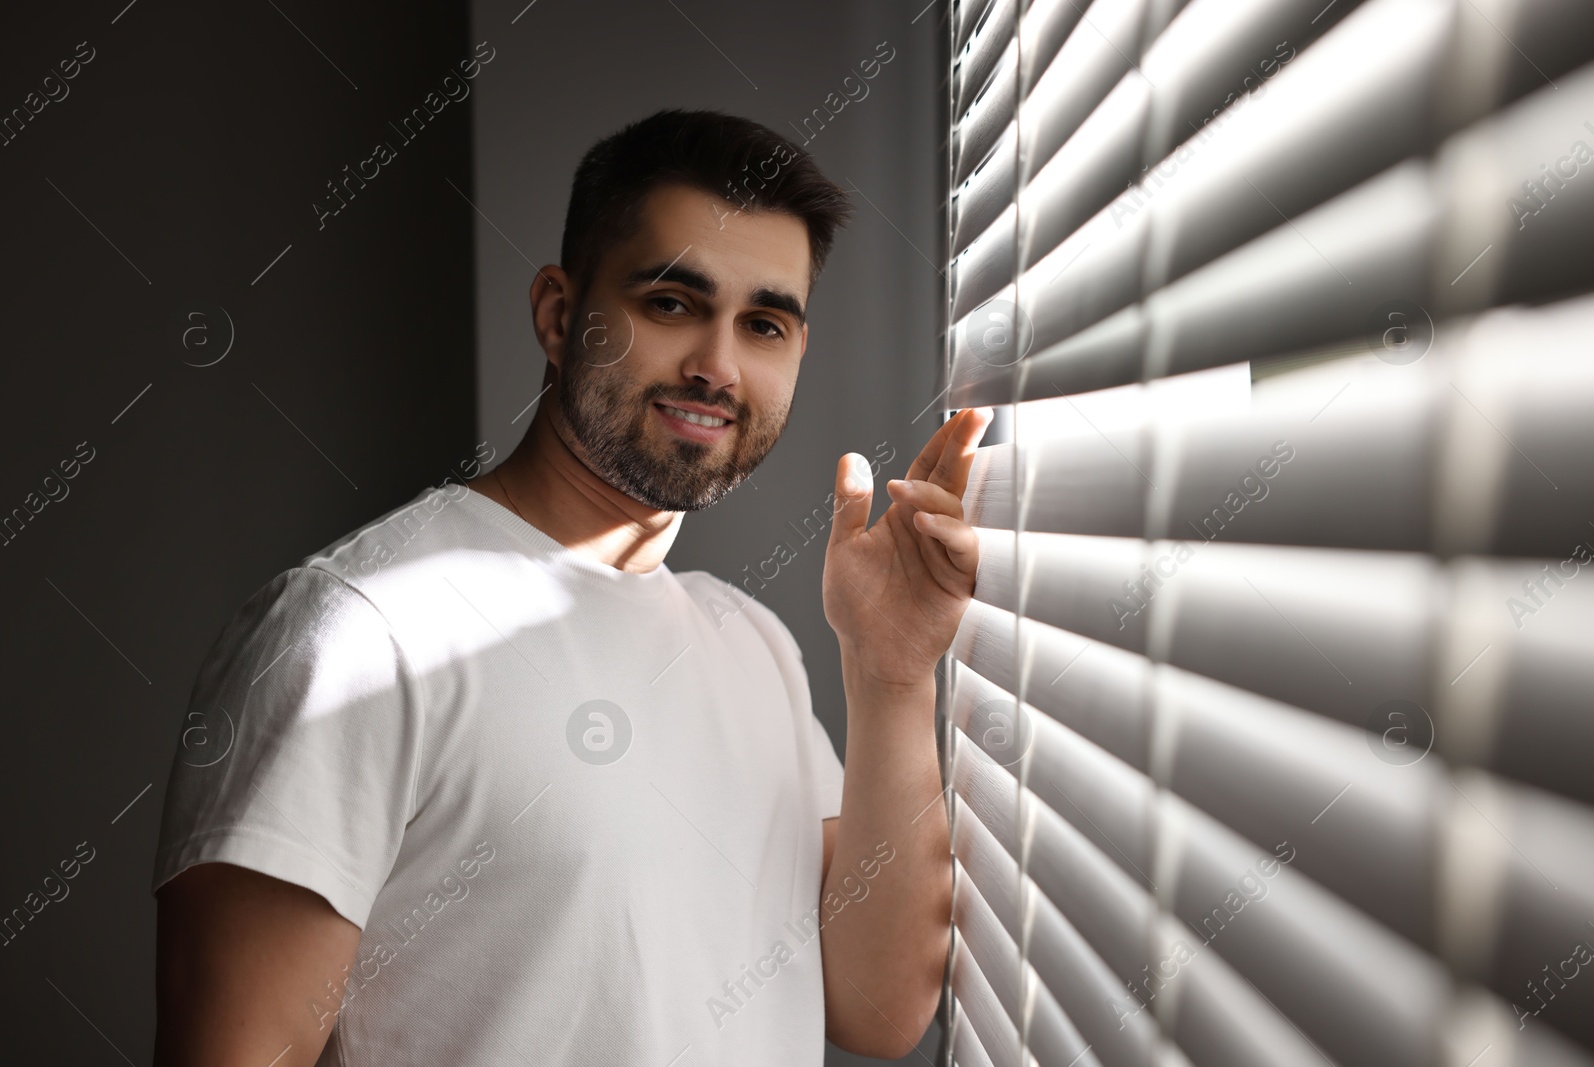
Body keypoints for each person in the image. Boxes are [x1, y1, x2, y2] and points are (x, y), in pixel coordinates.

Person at [151, 107, 990, 1067]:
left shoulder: (753, 643)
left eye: (763, 323)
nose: (718, 366)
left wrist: (888, 675)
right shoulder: (361, 633)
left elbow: (875, 1008)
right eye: (672, 304)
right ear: (559, 314)